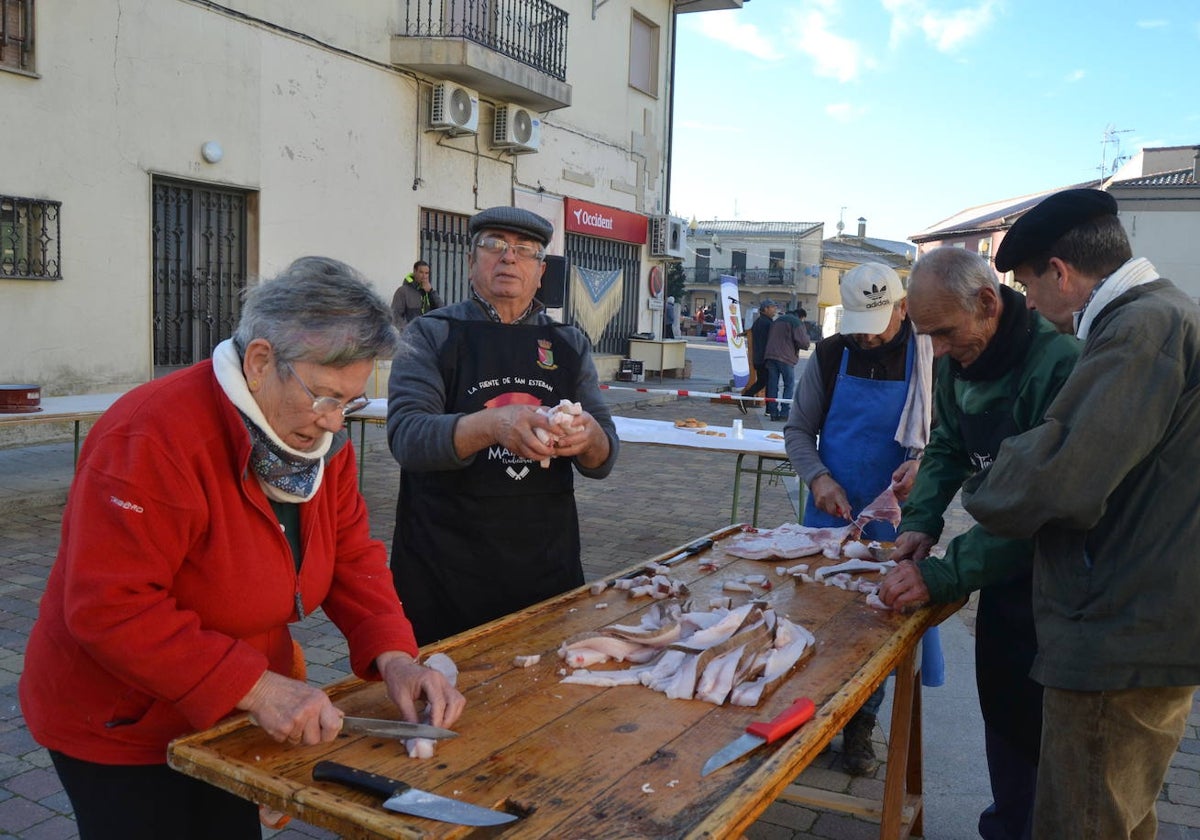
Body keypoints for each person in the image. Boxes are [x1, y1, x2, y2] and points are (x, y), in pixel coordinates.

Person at [18, 257, 464, 840]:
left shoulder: (322, 444)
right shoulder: (153, 435)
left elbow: (353, 557)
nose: (333, 422)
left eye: (349, 404)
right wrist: (257, 687)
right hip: (122, 720)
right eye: (325, 397)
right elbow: (110, 605)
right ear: (259, 362)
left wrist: (396, 658)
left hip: (232, 713)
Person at [960, 188, 1200, 840]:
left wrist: (983, 482)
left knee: (1083, 823)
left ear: (1059, 272)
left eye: (1028, 286)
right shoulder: (1163, 314)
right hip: (1144, 625)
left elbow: (1063, 475)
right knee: (1119, 818)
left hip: (1114, 632)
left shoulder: (1139, 327)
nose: (1029, 305)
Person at [878, 247, 1080, 839]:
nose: (937, 351)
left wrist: (944, 575)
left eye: (944, 333)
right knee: (1003, 709)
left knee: (1046, 738)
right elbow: (945, 445)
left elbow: (1038, 506)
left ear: (988, 303)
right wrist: (920, 521)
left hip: (1059, 582)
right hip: (1002, 575)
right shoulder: (959, 352)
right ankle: (1007, 822)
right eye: (927, 336)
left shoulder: (1057, 364)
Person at [387, 206, 619, 645]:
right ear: (471, 261)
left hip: (545, 563)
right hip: (443, 564)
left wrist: (588, 437)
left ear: (540, 270)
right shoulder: (431, 334)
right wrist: (493, 425)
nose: (508, 258)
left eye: (525, 250)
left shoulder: (568, 344)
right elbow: (407, 437)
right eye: (494, 245)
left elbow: (604, 457)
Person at [784, 261, 929, 774]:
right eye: (858, 329)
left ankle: (862, 725)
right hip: (829, 514)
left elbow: (952, 440)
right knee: (818, 622)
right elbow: (798, 431)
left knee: (878, 627)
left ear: (904, 308)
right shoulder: (829, 354)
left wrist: (923, 467)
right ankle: (811, 716)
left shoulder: (931, 358)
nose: (867, 341)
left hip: (897, 523)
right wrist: (819, 478)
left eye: (879, 326)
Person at [763, 305, 810, 420]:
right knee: (789, 385)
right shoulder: (796, 322)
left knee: (773, 385)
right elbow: (804, 343)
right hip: (786, 358)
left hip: (770, 356)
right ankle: (784, 413)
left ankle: (773, 413)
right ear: (801, 317)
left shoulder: (777, 320)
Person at [738, 298, 778, 415]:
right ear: (765, 309)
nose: (775, 309)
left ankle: (747, 399)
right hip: (764, 358)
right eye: (772, 307)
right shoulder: (767, 323)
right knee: (768, 383)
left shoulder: (760, 321)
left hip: (759, 358)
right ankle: (769, 409)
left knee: (762, 382)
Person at [391, 259, 443, 332]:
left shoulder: (429, 292)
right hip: (411, 337)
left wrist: (431, 292)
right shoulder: (403, 291)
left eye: (426, 273)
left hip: (428, 335)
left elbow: (441, 310)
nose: (424, 276)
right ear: (415, 272)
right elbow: (395, 316)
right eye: (421, 272)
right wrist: (408, 331)